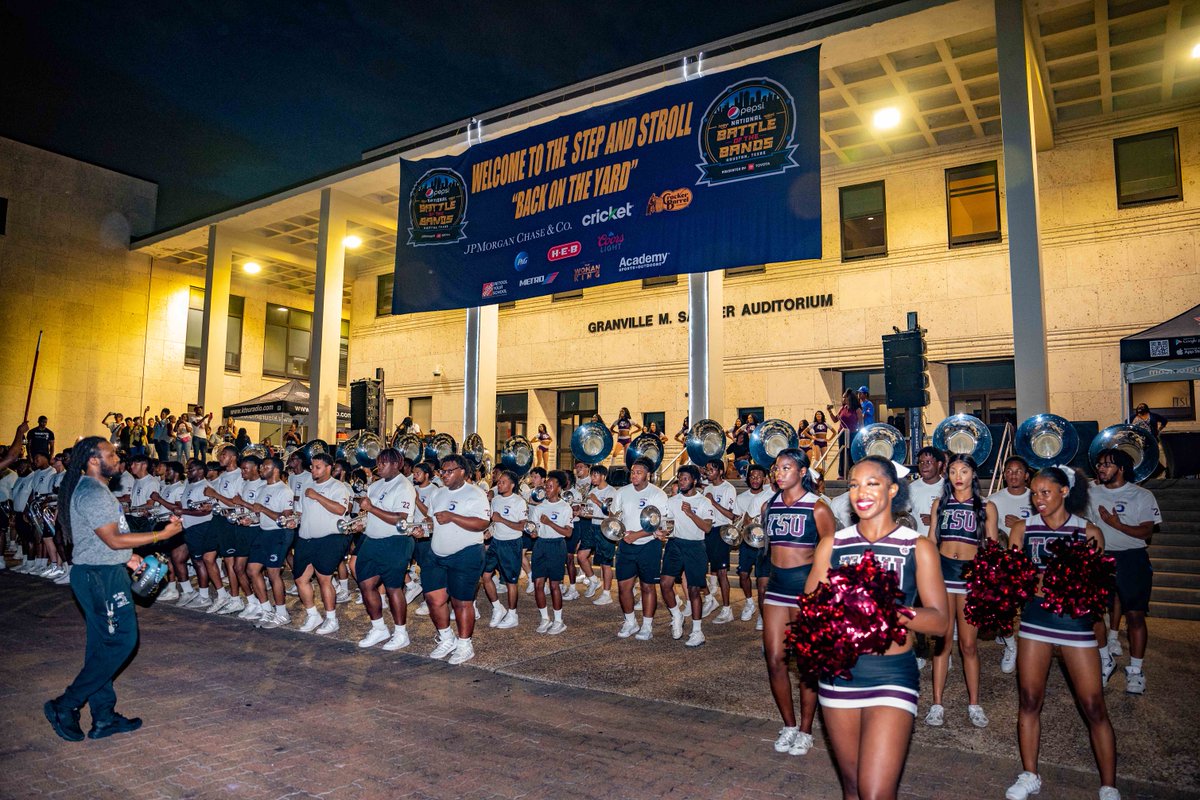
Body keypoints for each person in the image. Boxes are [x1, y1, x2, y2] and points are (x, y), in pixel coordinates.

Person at [806, 456, 948, 799]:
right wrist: (834, 609)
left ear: (893, 489)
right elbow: (806, 611)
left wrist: (889, 611)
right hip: (840, 676)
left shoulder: (918, 546)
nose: (861, 492)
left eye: (873, 483)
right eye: (854, 485)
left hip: (891, 675)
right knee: (853, 787)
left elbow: (940, 622)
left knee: (875, 792)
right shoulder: (833, 545)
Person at [43, 437, 183, 742]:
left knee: (101, 646)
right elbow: (113, 539)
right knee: (122, 641)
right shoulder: (93, 492)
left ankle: (104, 717)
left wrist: (129, 558)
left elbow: (104, 539)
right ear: (94, 460)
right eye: (111, 454)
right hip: (99, 578)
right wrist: (161, 535)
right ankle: (65, 705)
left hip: (103, 571)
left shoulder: (96, 489)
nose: (118, 458)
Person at [1005, 466, 1119, 800]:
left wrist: (1062, 585)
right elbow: (1013, 580)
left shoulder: (1088, 532)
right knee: (1029, 700)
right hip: (1035, 623)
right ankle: (1030, 775)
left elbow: (1098, 587)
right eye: (1034, 493)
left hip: (1075, 626)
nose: (1038, 499)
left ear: (1064, 491)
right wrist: (1026, 584)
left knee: (1093, 705)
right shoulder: (1022, 529)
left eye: (1045, 492)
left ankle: (1109, 785)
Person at [763, 449, 836, 757]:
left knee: (807, 664)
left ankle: (806, 730)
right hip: (776, 588)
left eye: (786, 468)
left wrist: (822, 592)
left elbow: (832, 551)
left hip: (806, 590)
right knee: (775, 659)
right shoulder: (769, 505)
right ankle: (789, 725)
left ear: (802, 471)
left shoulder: (817, 507)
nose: (779, 473)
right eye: (777, 468)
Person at [926, 454, 996, 729]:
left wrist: (989, 585)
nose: (958, 476)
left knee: (968, 645)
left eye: (964, 471)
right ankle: (936, 704)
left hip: (970, 577)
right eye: (953, 470)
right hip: (943, 575)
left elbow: (992, 548)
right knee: (943, 642)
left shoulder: (986, 506)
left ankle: (974, 704)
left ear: (973, 474)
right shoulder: (940, 504)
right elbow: (931, 541)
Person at [1089, 448, 1160, 695]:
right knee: (1093, 614)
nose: (1101, 468)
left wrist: (1117, 525)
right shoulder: (1091, 493)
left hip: (1132, 559)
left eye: (1106, 464)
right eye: (1099, 464)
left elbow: (1146, 532)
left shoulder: (1141, 495)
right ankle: (1104, 659)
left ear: (1120, 469)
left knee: (1135, 616)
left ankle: (1136, 671)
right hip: (1100, 558)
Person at [425, 453, 491, 665]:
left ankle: (465, 645)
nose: (444, 475)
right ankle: (447, 638)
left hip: (466, 554)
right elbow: (433, 521)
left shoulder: (475, 493)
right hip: (437, 554)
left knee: (461, 602)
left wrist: (452, 517)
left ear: (462, 471)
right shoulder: (438, 494)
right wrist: (423, 528)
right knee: (433, 599)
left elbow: (482, 524)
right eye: (442, 471)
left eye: (449, 471)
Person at [354, 448, 417, 650]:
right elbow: (372, 515)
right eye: (378, 463)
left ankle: (401, 633)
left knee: (393, 588)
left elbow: (400, 518)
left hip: (395, 542)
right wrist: (363, 522)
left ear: (396, 465)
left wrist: (371, 508)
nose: (378, 466)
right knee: (365, 584)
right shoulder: (375, 485)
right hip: (372, 540)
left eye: (383, 463)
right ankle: (379, 628)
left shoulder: (404, 487)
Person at [986, 455, 1034, 673]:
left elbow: (1049, 526)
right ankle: (1011, 646)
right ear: (1004, 475)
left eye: (1018, 471)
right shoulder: (994, 500)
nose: (1013, 475)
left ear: (1026, 475)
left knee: (1030, 608)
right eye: (1009, 471)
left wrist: (1022, 525)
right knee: (1003, 608)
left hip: (1031, 561)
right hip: (1004, 563)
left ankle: (1031, 647)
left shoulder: (1036, 497)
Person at [612, 457, 669, 640]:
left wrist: (636, 535)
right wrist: (619, 530)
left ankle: (647, 626)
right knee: (623, 587)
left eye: (639, 472)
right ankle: (630, 622)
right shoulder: (622, 492)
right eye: (633, 472)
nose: (634, 476)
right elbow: (614, 516)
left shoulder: (658, 494)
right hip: (626, 545)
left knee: (647, 586)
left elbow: (658, 525)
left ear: (648, 475)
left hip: (649, 545)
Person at [659, 465, 715, 646]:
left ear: (694, 481)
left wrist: (690, 513)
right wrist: (662, 532)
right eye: (680, 478)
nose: (681, 481)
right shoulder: (672, 501)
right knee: (665, 583)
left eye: (685, 478)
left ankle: (697, 632)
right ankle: (677, 615)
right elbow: (667, 524)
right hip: (675, 544)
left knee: (693, 590)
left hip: (695, 546)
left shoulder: (703, 502)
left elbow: (707, 528)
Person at [245, 455, 296, 628]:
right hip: (264, 532)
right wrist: (250, 520)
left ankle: (282, 613)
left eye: (265, 467)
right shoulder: (262, 488)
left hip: (279, 533)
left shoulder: (284, 491)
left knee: (273, 573)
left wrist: (263, 509)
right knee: (252, 570)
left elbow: (285, 519)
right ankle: (266, 609)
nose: (261, 469)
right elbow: (258, 514)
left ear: (276, 470)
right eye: (261, 466)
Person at [531, 470, 574, 634]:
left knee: (554, 585)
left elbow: (568, 533)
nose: (547, 489)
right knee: (538, 584)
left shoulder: (565, 507)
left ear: (558, 488)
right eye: (546, 486)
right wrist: (533, 532)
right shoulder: (539, 507)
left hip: (557, 545)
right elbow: (534, 529)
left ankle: (558, 621)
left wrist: (549, 523)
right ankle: (544, 618)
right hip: (540, 545)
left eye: (550, 486)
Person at [484, 469, 527, 628]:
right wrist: (490, 530)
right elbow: (494, 522)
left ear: (512, 485)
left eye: (503, 482)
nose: (499, 484)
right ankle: (497, 608)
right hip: (496, 542)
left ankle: (512, 614)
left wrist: (501, 519)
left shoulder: (519, 501)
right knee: (485, 575)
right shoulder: (495, 500)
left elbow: (522, 526)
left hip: (512, 543)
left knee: (511, 582)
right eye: (499, 482)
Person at [734, 463, 772, 627]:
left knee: (763, 580)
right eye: (752, 476)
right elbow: (739, 519)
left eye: (759, 476)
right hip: (748, 541)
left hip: (765, 543)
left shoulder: (770, 494)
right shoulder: (742, 498)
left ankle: (763, 612)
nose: (755, 479)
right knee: (743, 574)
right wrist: (745, 523)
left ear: (765, 478)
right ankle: (749, 603)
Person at [702, 458, 738, 623]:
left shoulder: (728, 488)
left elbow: (731, 515)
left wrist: (712, 502)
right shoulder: (707, 488)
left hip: (722, 531)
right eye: (707, 469)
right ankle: (710, 599)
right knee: (699, 567)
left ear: (721, 471)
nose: (708, 472)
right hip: (707, 530)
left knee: (722, 572)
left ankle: (727, 609)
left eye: (712, 469)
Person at [585, 464, 618, 606]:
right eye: (591, 475)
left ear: (603, 476)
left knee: (605, 563)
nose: (592, 478)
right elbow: (589, 512)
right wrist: (581, 513)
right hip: (592, 526)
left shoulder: (612, 492)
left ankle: (606, 593)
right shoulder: (592, 491)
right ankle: (594, 580)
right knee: (581, 555)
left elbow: (612, 513)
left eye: (595, 475)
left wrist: (596, 501)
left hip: (606, 528)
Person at [908, 446, 946, 538]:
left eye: (928, 462)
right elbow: (901, 514)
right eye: (921, 462)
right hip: (919, 541)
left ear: (939, 464)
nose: (924, 466)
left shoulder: (948, 487)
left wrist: (936, 520)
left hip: (942, 543)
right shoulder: (912, 488)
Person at [828, 389, 863, 479]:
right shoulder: (842, 408)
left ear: (849, 398)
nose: (842, 399)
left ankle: (852, 473)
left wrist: (860, 435)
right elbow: (835, 420)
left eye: (844, 397)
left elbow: (861, 424)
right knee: (842, 453)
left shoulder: (857, 410)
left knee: (851, 453)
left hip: (853, 434)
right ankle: (841, 474)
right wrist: (830, 411)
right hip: (842, 433)